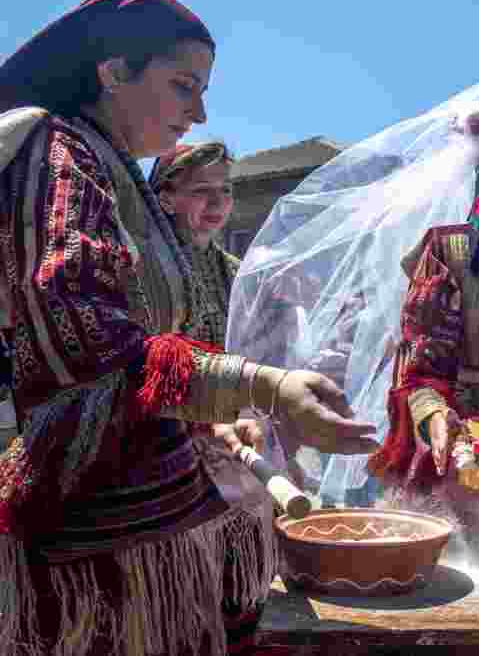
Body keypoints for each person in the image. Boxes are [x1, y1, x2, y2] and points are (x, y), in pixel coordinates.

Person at [0, 0, 375, 655]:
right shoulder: (60, 154)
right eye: (183, 86)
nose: (199, 112)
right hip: (97, 531)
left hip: (151, 513)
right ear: (114, 70)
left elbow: (154, 349)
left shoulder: (114, 170)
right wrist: (259, 383)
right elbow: (88, 337)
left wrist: (220, 409)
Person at [229, 79, 479, 558]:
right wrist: (434, 415)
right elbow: (422, 356)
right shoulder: (445, 249)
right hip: (460, 439)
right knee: (467, 582)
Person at [151, 141, 277, 642]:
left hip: (229, 440)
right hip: (166, 440)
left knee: (241, 591)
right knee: (179, 598)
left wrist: (249, 412)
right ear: (163, 199)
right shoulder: (145, 266)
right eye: (201, 192)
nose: (217, 204)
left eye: (225, 191)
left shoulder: (234, 272)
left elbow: (249, 353)